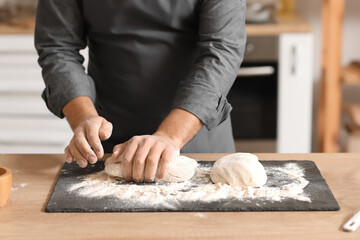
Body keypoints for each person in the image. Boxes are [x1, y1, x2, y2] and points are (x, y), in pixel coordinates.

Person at [35, 0, 246, 182]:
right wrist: (84, 118)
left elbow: (221, 51)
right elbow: (58, 48)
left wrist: (170, 136)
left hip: (195, 137)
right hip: (108, 141)